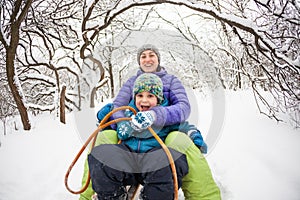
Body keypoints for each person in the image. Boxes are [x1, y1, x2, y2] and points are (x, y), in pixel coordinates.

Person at [79, 44, 220, 200]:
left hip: (160, 139)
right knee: (102, 141)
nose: (147, 59)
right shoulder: (132, 82)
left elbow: (183, 108)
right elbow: (118, 106)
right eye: (143, 56)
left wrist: (156, 115)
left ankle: (204, 196)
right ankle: (94, 194)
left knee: (177, 143)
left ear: (158, 59)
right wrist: (122, 123)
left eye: (151, 55)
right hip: (130, 147)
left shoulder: (172, 81)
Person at [88, 73, 189, 199]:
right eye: (140, 95)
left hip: (152, 161)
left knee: (167, 162)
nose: (144, 100)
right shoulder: (126, 113)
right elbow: (108, 121)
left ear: (159, 99)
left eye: (150, 96)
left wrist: (195, 136)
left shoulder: (164, 117)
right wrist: (106, 114)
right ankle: (112, 196)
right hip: (128, 159)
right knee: (101, 156)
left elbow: (184, 127)